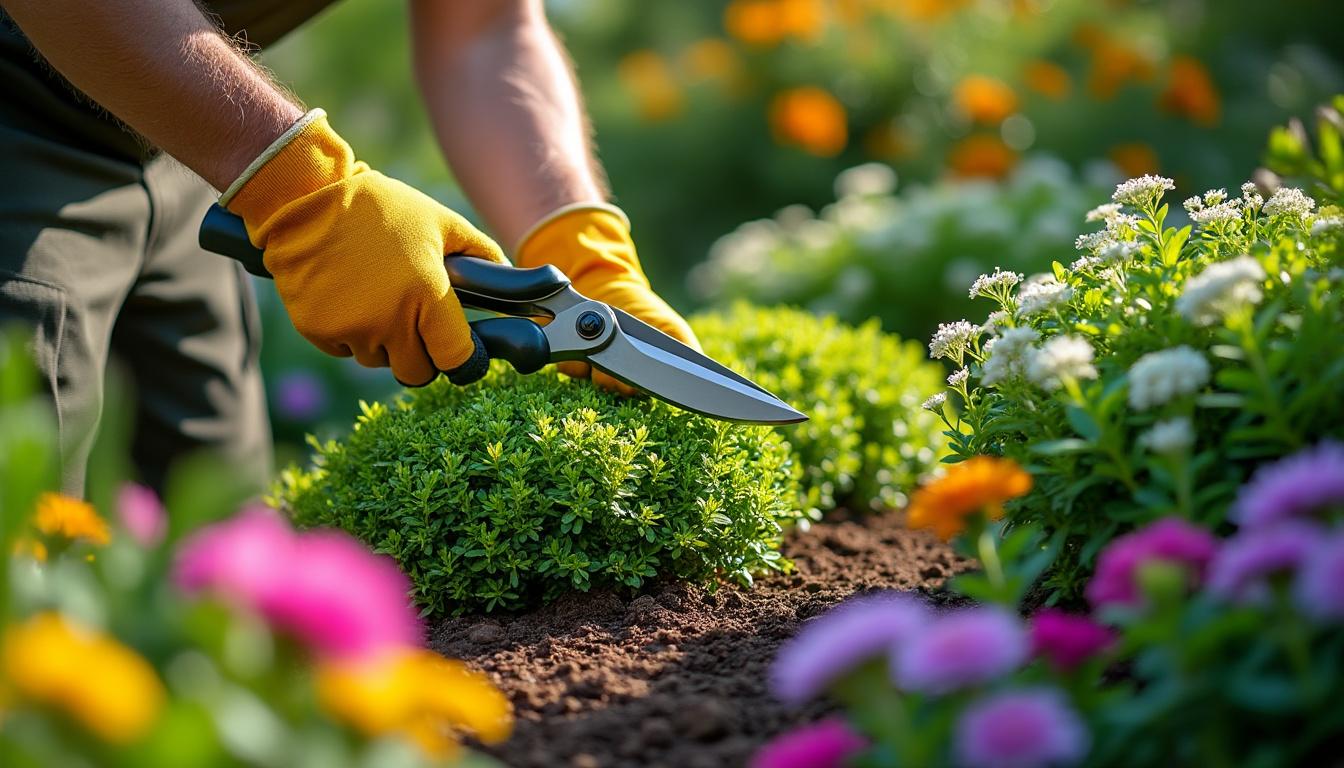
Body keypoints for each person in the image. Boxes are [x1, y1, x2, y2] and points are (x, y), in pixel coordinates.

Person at [0, 1, 698, 495]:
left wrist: (578, 246)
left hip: (190, 139)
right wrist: (301, 189)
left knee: (215, 565)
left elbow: (485, 30)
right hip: (24, 116)